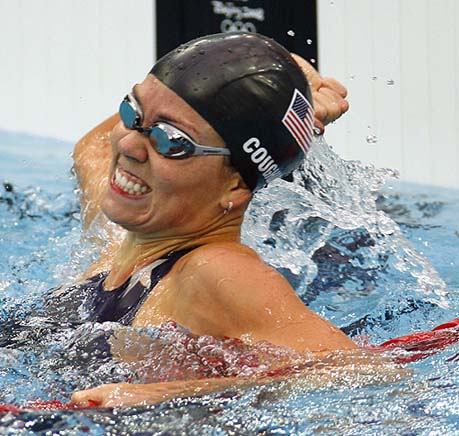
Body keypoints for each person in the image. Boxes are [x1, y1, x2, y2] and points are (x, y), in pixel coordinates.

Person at [65, 32, 352, 407]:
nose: (129, 145)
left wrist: (165, 395)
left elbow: (365, 373)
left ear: (235, 186)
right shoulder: (122, 238)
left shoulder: (216, 270)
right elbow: (93, 148)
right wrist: (290, 98)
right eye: (131, 112)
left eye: (171, 140)